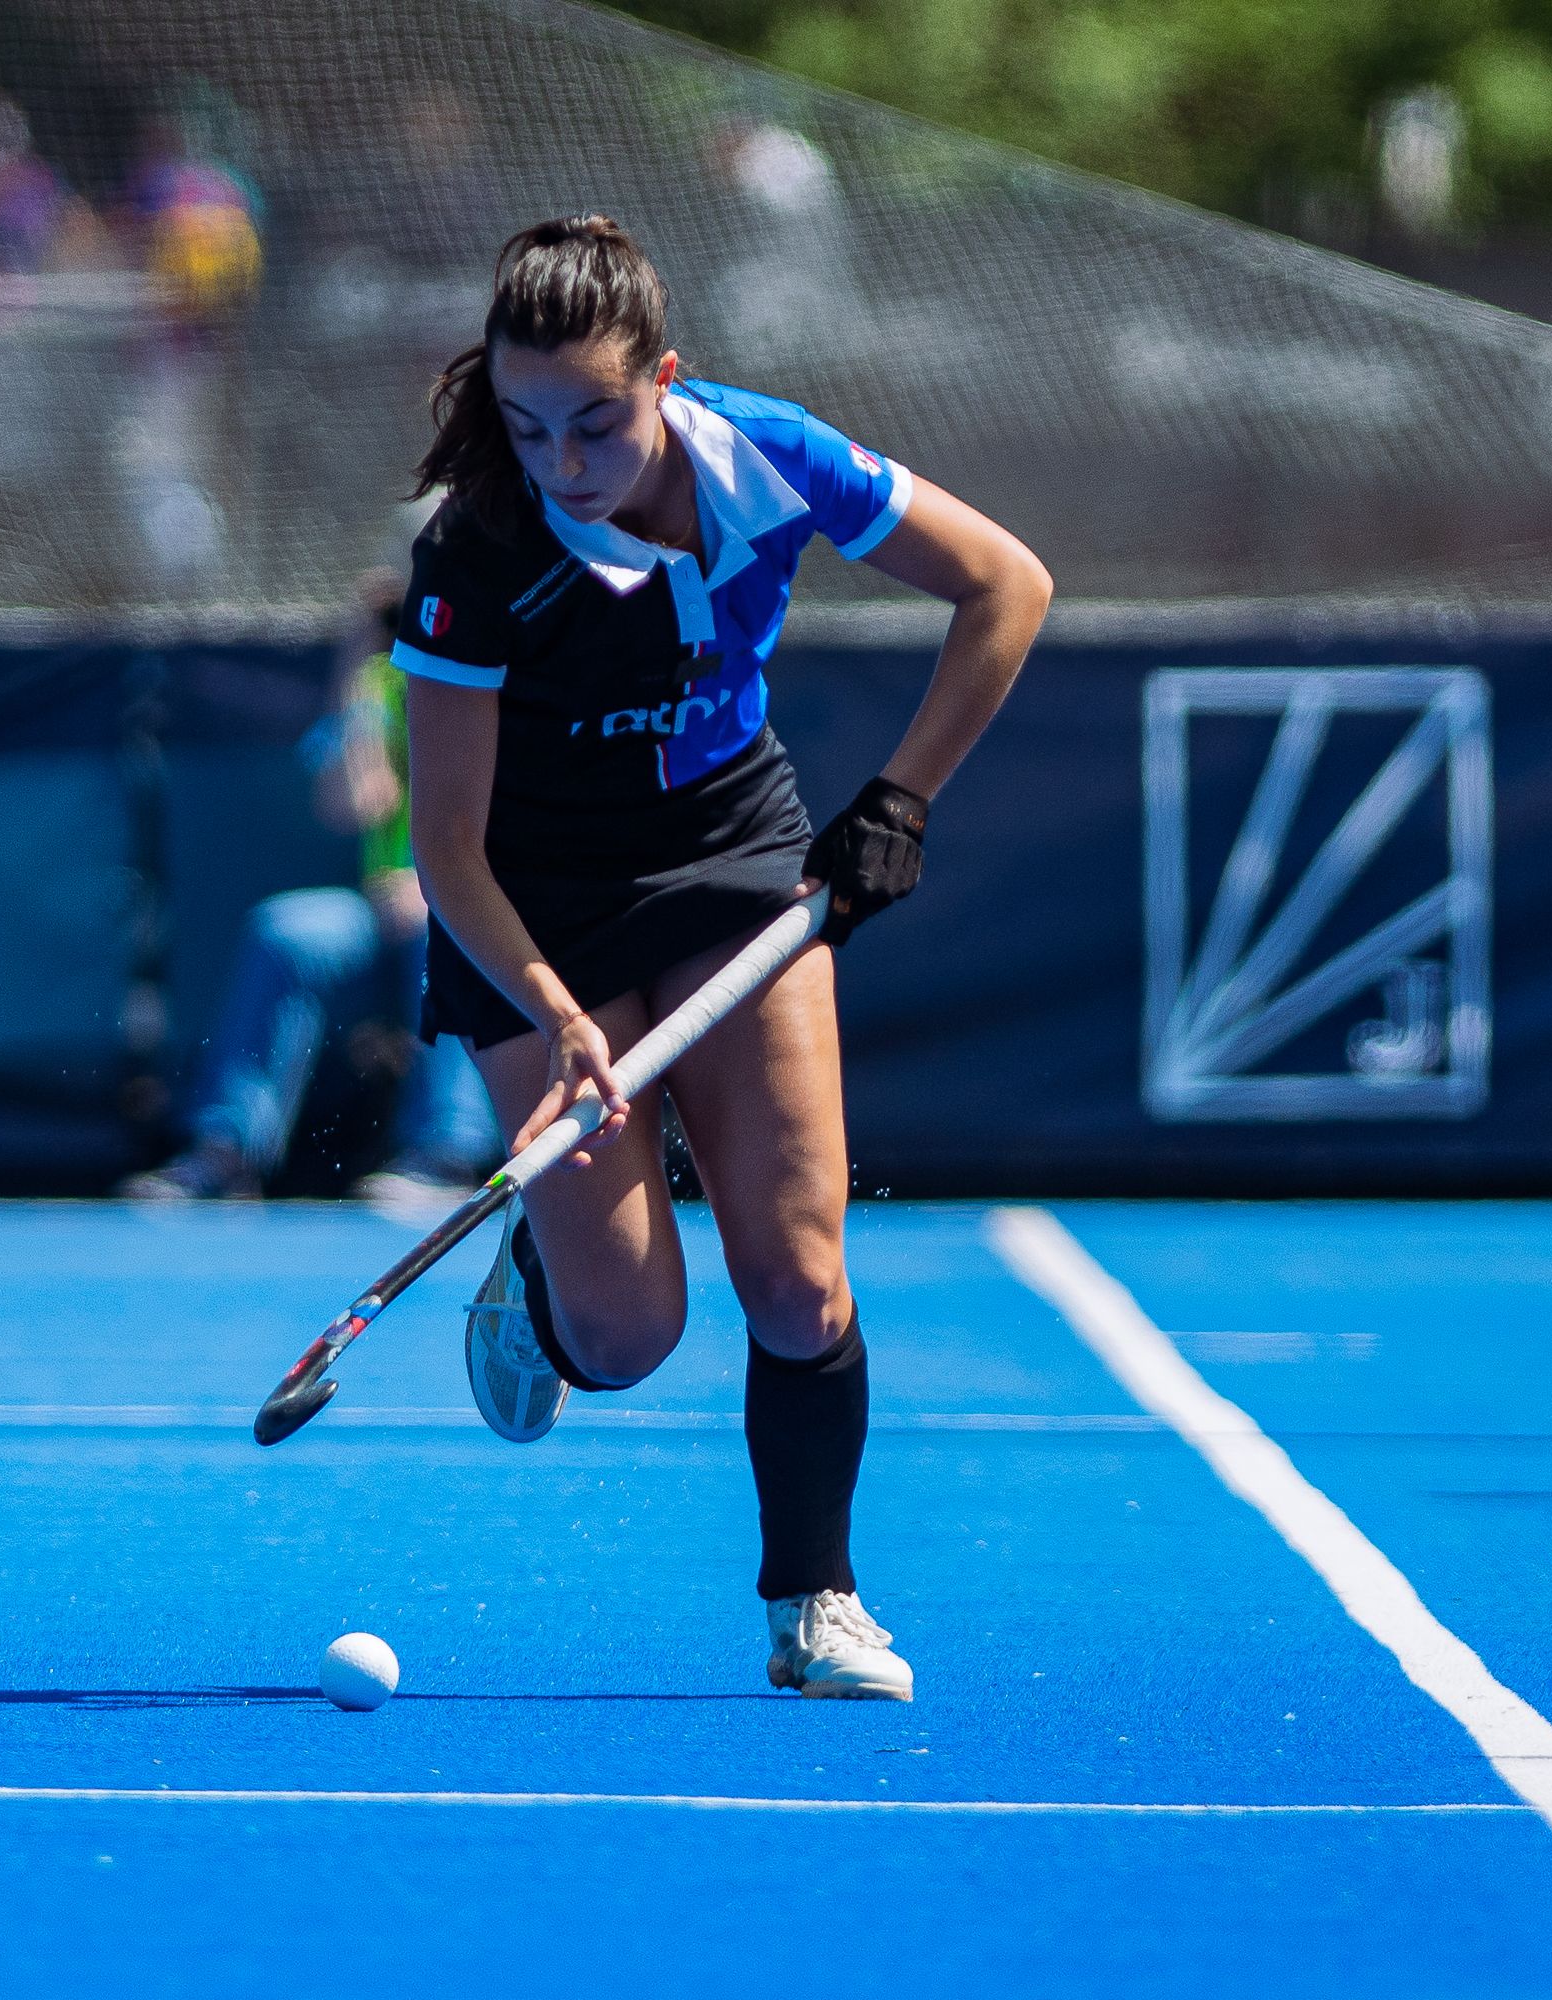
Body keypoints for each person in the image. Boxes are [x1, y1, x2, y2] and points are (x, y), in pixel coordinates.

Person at [397, 218, 1050, 1699]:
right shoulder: (478, 547)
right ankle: (544, 1270)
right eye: (527, 426)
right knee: (627, 1337)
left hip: (730, 852)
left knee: (799, 1278)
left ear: (667, 379)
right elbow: (446, 844)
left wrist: (899, 803)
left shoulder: (772, 457)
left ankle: (815, 1599)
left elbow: (1007, 586)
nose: (563, 461)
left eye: (595, 421)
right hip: (533, 899)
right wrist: (554, 1010)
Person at [122, 576, 496, 1211]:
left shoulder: (495, 681)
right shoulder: (379, 683)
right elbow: (356, 803)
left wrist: (444, 888)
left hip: (475, 907)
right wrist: (355, 673)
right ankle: (227, 1152)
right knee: (285, 930)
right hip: (382, 916)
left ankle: (446, 1154)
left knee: (453, 935)